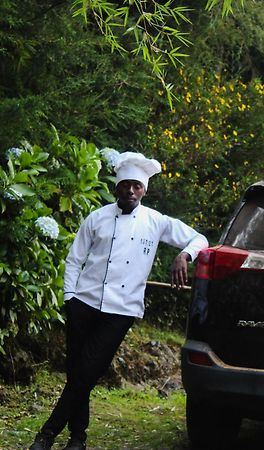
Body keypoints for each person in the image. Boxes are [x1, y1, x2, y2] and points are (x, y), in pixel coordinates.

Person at [29, 152, 208, 450]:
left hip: (121, 310)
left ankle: (46, 434)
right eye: (126, 185)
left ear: (144, 190)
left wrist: (183, 255)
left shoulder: (156, 221)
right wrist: (69, 297)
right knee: (77, 374)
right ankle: (78, 438)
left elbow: (199, 238)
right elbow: (74, 260)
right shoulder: (96, 218)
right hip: (83, 303)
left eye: (137, 186)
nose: (131, 191)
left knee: (86, 371)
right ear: (116, 187)